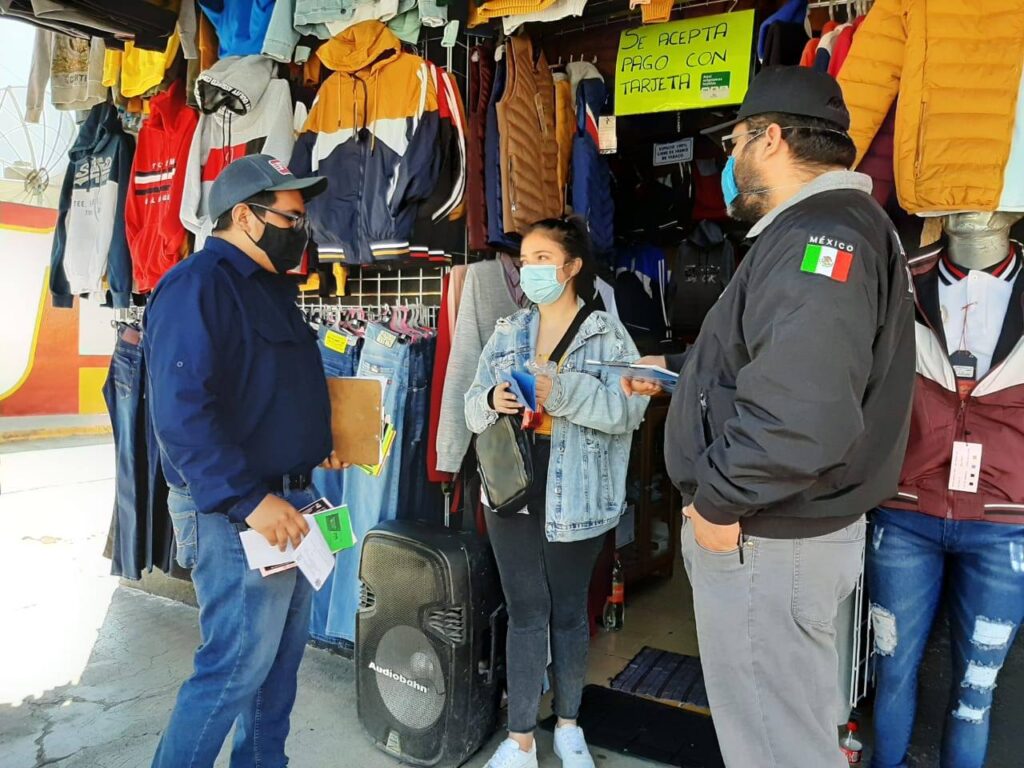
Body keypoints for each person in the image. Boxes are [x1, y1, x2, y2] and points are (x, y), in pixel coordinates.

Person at [627, 67, 916, 767]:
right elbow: (791, 367)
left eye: (734, 145)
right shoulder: (833, 230)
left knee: (774, 747)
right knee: (790, 734)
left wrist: (717, 505)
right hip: (781, 534)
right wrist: (681, 375)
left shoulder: (822, 239)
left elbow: (801, 412)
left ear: (772, 138)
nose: (729, 163)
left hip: (767, 535)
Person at [144, 154, 343, 768]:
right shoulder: (198, 285)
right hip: (243, 515)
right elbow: (181, 415)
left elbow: (267, 389)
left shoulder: (272, 289)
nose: (301, 231)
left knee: (277, 668)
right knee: (232, 671)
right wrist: (249, 500)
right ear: (246, 217)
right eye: (291, 218)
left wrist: (318, 440)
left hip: (295, 504)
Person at [465, 218, 649, 768]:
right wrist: (492, 400)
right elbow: (471, 404)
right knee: (525, 610)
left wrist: (563, 392)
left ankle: (569, 725)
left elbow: (628, 412)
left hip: (580, 487)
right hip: (513, 484)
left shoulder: (607, 335)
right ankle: (520, 738)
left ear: (571, 267)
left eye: (543, 259)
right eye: (525, 261)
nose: (531, 270)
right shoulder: (509, 330)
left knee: (568, 611)